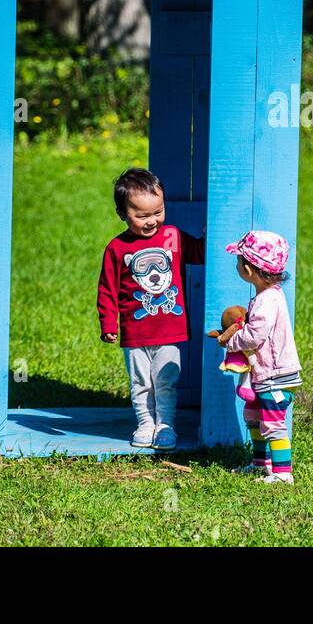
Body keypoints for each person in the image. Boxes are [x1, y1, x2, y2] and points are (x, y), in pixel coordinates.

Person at [97, 168, 204, 450]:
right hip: (135, 331)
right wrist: (108, 324)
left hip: (170, 329)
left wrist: (212, 234)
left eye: (158, 212)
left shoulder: (173, 236)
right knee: (141, 382)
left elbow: (199, 253)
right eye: (142, 216)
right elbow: (107, 289)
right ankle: (145, 423)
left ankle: (166, 425)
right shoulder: (117, 248)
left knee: (166, 380)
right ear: (122, 213)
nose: (151, 221)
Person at [216, 230, 301, 483]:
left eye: (238, 260)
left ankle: (283, 474)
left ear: (249, 269)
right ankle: (260, 463)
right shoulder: (267, 296)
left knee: (273, 423)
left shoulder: (267, 300)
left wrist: (232, 342)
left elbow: (255, 335)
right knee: (254, 418)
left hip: (276, 376)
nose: (237, 265)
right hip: (264, 375)